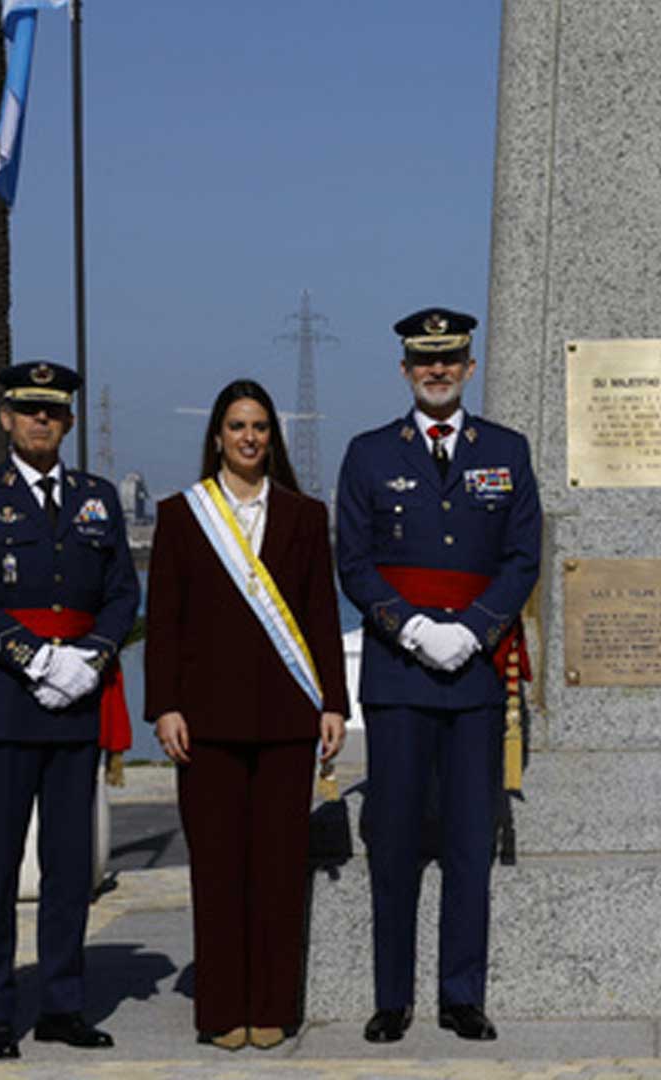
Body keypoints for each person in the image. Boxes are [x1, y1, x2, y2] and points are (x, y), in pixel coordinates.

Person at [337, 307, 541, 1044]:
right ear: (404, 370)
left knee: (467, 842)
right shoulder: (368, 454)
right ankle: (392, 998)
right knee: (392, 842)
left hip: (476, 677)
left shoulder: (507, 451)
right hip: (399, 676)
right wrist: (415, 629)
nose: (437, 370)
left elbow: (523, 556)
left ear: (469, 368)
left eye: (450, 359)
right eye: (425, 360)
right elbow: (354, 561)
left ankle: (461, 995)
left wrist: (475, 630)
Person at [145, 379, 349, 1051]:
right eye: (237, 426)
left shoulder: (304, 515)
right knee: (218, 867)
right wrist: (164, 706)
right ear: (217, 437)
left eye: (259, 426)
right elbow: (164, 620)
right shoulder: (183, 515)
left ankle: (272, 1005)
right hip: (206, 721)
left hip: (287, 719)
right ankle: (221, 1008)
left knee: (278, 868)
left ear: (272, 436)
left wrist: (333, 703)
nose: (249, 437)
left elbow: (320, 615)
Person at [0, 361, 138, 1060]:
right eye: (29, 409)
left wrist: (89, 656)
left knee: (69, 865)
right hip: (6, 703)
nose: (41, 420)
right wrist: (32, 658)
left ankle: (63, 1003)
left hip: (76, 703)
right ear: (6, 417)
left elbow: (122, 592)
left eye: (53, 411)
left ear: (68, 421)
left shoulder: (97, 498)